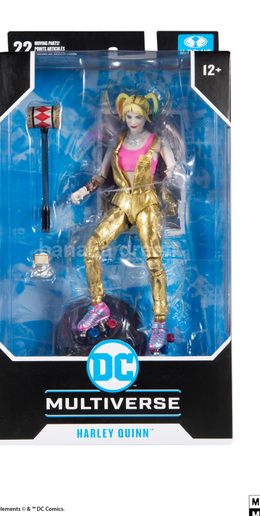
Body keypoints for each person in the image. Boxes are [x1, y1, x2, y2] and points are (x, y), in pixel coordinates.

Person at [71, 93, 176, 354]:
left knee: (154, 260)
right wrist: (83, 191)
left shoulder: (158, 142)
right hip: (121, 202)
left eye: (137, 116)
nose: (132, 121)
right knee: (91, 247)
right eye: (128, 116)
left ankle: (159, 322)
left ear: (146, 117)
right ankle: (98, 305)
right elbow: (101, 174)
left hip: (146, 202)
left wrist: (173, 178)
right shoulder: (116, 143)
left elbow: (175, 170)